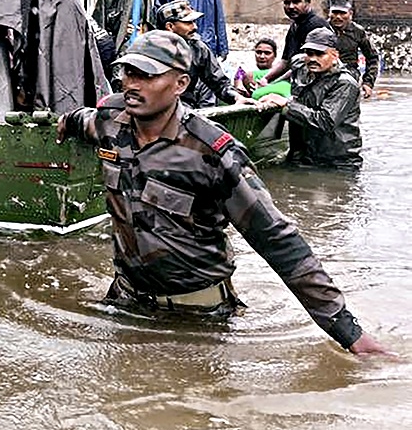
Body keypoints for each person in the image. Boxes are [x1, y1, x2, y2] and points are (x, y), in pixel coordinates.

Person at [57, 30, 386, 356]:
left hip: (196, 318)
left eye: (147, 75)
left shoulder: (213, 152)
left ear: (180, 84)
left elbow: (278, 240)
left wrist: (348, 331)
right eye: (128, 71)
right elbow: (84, 121)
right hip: (125, 302)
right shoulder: (111, 120)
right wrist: (65, 122)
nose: (132, 83)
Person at [258, 27, 362, 171]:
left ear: (335, 55)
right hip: (302, 155)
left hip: (336, 162)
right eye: (309, 53)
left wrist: (287, 104)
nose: (313, 59)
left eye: (320, 54)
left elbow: (325, 121)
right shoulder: (301, 66)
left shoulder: (344, 83)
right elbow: (291, 68)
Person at [157, 0, 250, 107]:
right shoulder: (150, 49)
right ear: (170, 27)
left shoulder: (198, 48)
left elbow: (219, 83)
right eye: (188, 23)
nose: (195, 27)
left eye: (194, 22)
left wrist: (237, 97)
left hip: (184, 109)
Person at [92, 0, 153, 89]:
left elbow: (149, 24)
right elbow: (96, 25)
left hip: (133, 49)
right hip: (109, 51)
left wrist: (139, 32)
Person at [258, 0, 329, 87]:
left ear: (308, 2)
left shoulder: (316, 27)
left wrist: (273, 84)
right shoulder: (295, 26)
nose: (291, 7)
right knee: (250, 78)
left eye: (296, 2)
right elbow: (285, 61)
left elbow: (303, 66)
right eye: (287, 3)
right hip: (295, 77)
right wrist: (265, 79)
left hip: (314, 82)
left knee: (261, 94)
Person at [328, 0, 379, 99]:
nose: (338, 17)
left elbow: (372, 58)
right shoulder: (321, 29)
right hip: (325, 77)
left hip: (350, 76)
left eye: (342, 13)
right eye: (335, 13)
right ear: (329, 13)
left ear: (350, 14)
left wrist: (368, 82)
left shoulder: (358, 32)